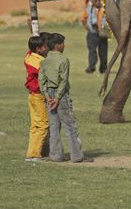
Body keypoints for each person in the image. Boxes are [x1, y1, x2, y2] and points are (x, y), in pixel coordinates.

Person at [39, 33, 93, 163]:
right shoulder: (63, 60)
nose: (64, 46)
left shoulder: (44, 61)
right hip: (60, 95)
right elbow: (63, 81)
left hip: (49, 95)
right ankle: (77, 156)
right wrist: (57, 98)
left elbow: (41, 81)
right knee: (70, 126)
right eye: (63, 43)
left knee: (54, 126)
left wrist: (47, 96)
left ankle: (56, 156)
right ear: (57, 45)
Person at [24, 33, 51, 162]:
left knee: (35, 125)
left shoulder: (29, 56)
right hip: (39, 96)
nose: (47, 49)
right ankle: (34, 154)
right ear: (38, 49)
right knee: (42, 125)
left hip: (32, 96)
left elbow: (31, 48)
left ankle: (31, 152)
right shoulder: (39, 62)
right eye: (45, 47)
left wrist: (32, 31)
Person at [81, 0, 108, 74]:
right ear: (92, 2)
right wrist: (87, 27)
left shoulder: (104, 7)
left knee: (103, 50)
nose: (98, 2)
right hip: (92, 30)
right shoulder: (88, 8)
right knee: (92, 50)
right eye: (96, 1)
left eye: (99, 0)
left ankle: (103, 68)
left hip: (102, 30)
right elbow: (83, 19)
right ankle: (91, 67)